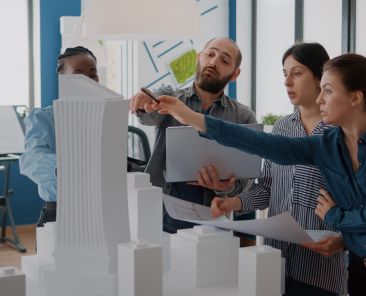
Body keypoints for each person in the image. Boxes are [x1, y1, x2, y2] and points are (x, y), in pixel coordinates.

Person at [152, 53, 366, 296]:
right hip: (354, 267)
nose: (320, 99)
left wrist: (336, 217)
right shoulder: (326, 144)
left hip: (327, 273)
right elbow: (262, 144)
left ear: (355, 97)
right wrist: (192, 118)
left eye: (327, 90)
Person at [198, 43, 347, 295]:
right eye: (284, 74)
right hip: (272, 262)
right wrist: (232, 203)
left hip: (322, 270)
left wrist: (342, 241)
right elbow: (266, 188)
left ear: (321, 76)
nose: (287, 81)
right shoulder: (281, 128)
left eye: (297, 73)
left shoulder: (342, 135)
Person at [130, 37, 257, 234]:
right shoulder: (171, 98)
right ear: (199, 58)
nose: (214, 62)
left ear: (235, 74)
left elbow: (244, 184)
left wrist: (224, 187)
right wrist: (144, 103)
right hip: (162, 216)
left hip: (214, 222)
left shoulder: (243, 117)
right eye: (210, 54)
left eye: (224, 60)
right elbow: (149, 115)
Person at [19, 46, 99, 227]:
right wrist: (72, 168)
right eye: (78, 74)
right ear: (62, 79)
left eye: (93, 74)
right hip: (59, 212)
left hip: (99, 209)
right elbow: (31, 160)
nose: (88, 81)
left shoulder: (103, 116)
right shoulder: (44, 117)